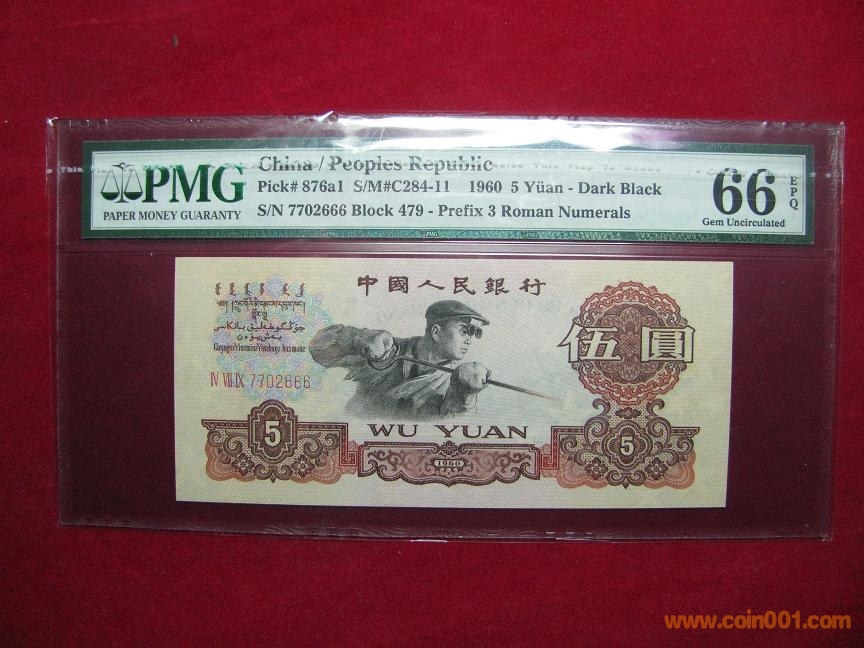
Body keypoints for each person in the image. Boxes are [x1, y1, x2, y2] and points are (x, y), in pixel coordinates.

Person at [310, 300, 491, 418]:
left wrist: (465, 395)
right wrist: (356, 338)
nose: (470, 339)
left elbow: (448, 427)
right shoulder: (384, 350)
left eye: (475, 333)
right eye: (465, 330)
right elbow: (317, 348)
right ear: (436, 332)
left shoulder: (459, 382)